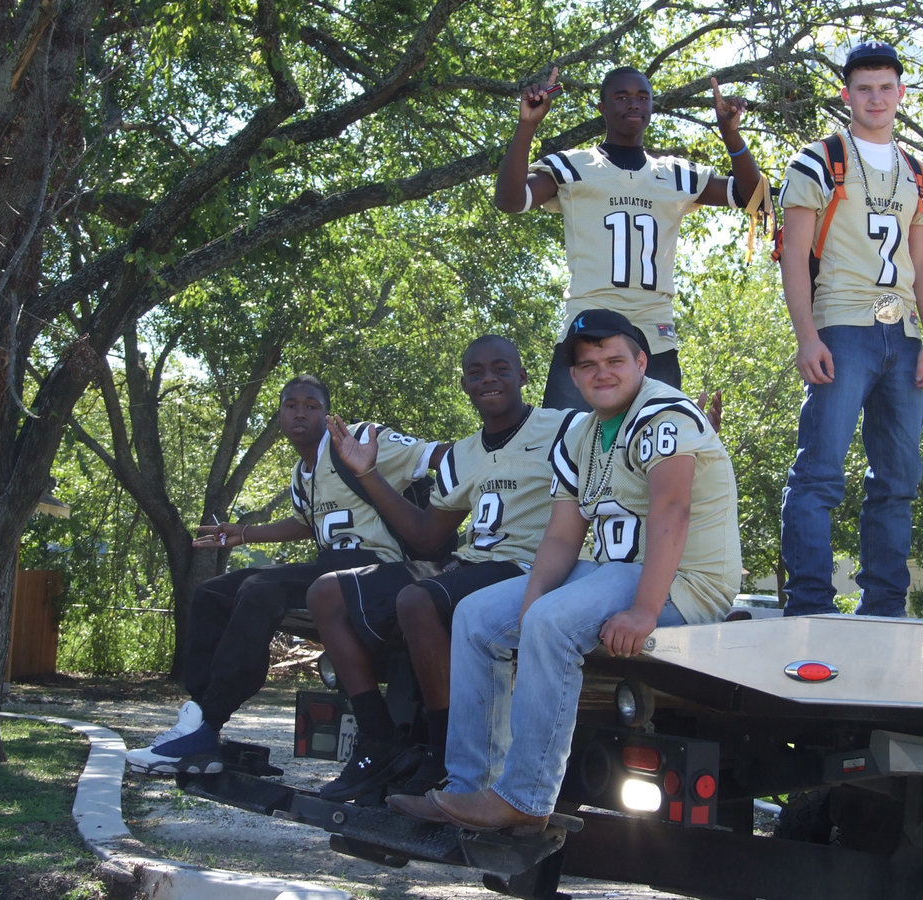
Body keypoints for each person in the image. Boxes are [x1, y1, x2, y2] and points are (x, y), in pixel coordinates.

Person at [388, 309, 741, 832]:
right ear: (573, 376)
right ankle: (468, 789)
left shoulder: (665, 411)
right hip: (613, 571)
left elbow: (673, 511)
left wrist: (644, 611)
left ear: (642, 362)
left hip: (681, 584)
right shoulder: (581, 435)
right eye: (588, 363)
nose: (602, 371)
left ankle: (526, 801)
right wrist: (530, 604)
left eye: (615, 359)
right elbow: (560, 536)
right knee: (476, 615)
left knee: (552, 622)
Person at [310, 336, 583, 800]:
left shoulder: (565, 428)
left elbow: (620, 451)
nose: (488, 378)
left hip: (526, 568)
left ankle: (443, 754)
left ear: (523, 376)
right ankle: (380, 739)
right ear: (464, 385)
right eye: (475, 373)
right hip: (471, 563)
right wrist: (368, 475)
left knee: (418, 600)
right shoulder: (461, 454)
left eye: (500, 368)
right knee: (326, 592)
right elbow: (426, 538)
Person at [125, 375, 440, 775]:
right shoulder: (301, 473)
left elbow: (436, 455)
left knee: (261, 589)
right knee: (211, 594)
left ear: (327, 414)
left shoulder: (359, 439)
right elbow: (307, 523)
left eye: (312, 405)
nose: (301, 412)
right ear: (279, 414)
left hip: (378, 566)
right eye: (292, 405)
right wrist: (244, 534)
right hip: (333, 567)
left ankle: (208, 723)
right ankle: (199, 718)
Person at [777, 41, 923, 617]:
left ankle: (885, 607)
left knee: (898, 479)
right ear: (847, 95)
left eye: (886, 87)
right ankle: (811, 604)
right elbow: (793, 254)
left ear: (901, 93)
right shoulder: (818, 159)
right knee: (820, 471)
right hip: (841, 328)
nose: (876, 98)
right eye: (864, 88)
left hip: (901, 338)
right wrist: (807, 336)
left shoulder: (919, 171)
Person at [495, 65, 765, 409]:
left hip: (654, 334)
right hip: (587, 326)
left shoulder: (675, 174)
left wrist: (731, 135)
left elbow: (750, 195)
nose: (633, 104)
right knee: (567, 445)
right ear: (602, 108)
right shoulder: (574, 166)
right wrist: (527, 125)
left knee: (653, 451)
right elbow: (510, 200)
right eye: (621, 97)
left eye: (642, 97)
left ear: (652, 106)